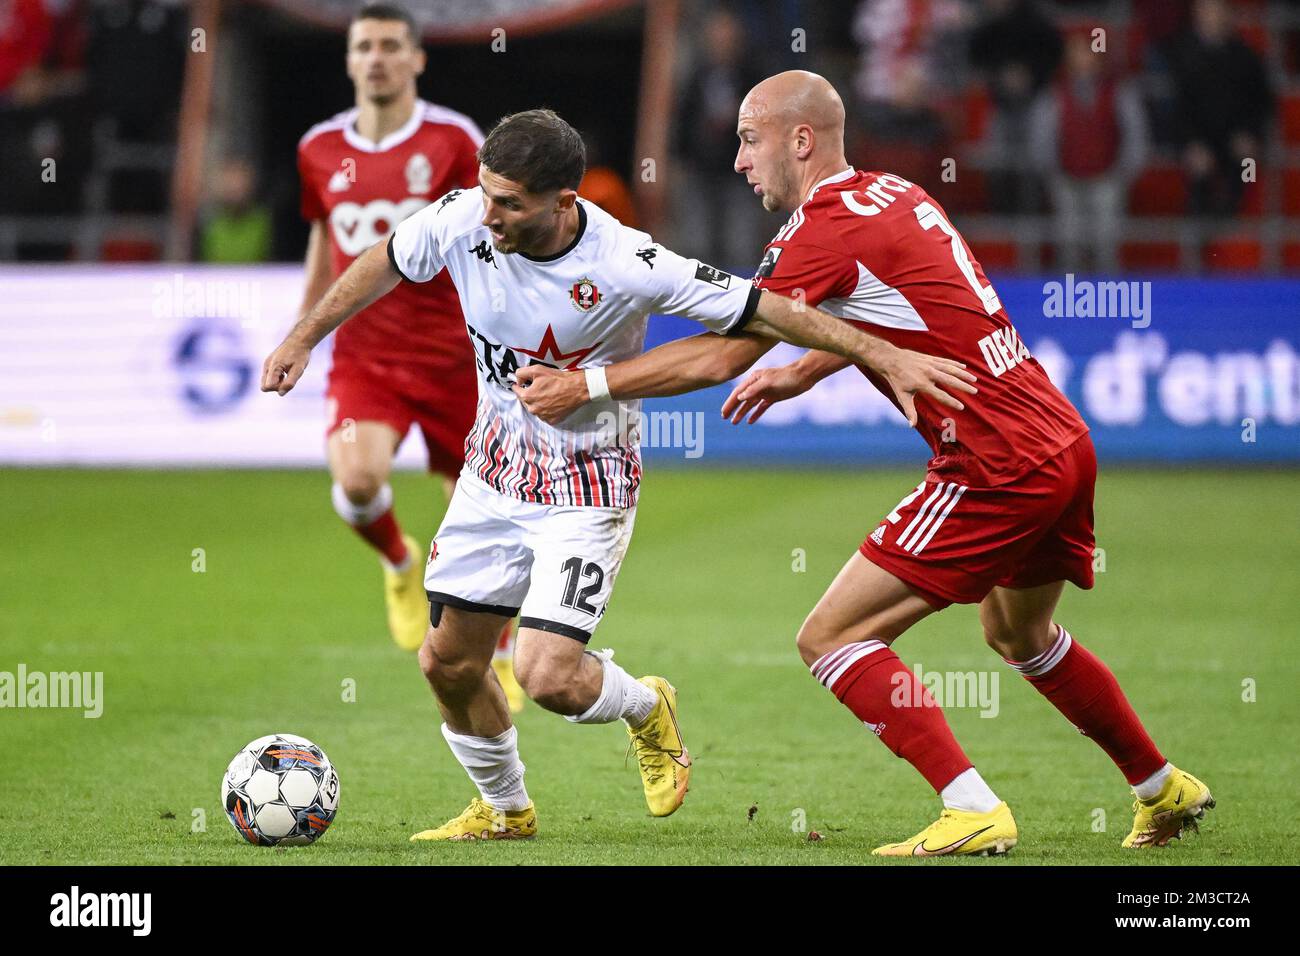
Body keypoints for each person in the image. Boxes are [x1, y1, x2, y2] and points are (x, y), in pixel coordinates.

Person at [513, 71, 1214, 855]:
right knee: (1021, 635)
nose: (740, 161)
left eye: (750, 139)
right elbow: (906, 313)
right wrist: (799, 370)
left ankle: (971, 806)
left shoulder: (820, 230)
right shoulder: (896, 194)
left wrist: (587, 383)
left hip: (993, 461)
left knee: (832, 636)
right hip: (1060, 440)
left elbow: (717, 358)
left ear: (800, 139)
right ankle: (1161, 787)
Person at [262, 106, 973, 840]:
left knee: (546, 678)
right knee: (446, 661)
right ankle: (506, 812)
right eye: (486, 194)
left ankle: (645, 705)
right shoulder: (462, 218)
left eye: (510, 202)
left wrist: (882, 355)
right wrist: (303, 336)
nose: (491, 215)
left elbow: (765, 311)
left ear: (564, 201)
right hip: (493, 470)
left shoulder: (626, 260)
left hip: (588, 482)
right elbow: (387, 256)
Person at [295, 4, 522, 708]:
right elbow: (324, 242)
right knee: (358, 482)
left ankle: (505, 651)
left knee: (483, 523)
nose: (378, 58)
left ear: (417, 59)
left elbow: (493, 234)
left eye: (392, 45)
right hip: (367, 358)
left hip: (458, 360)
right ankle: (399, 560)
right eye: (365, 46)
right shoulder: (318, 149)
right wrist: (302, 333)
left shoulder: (455, 139)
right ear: (349, 59)